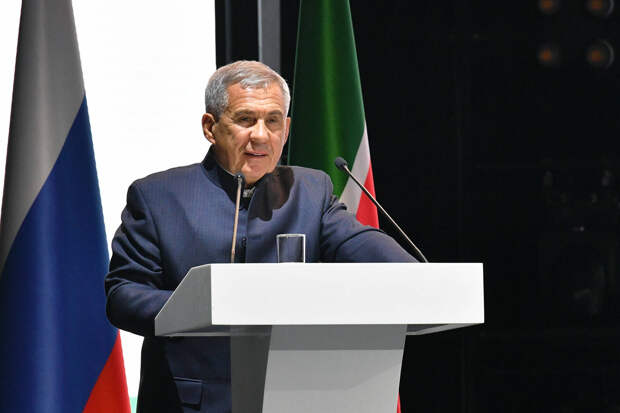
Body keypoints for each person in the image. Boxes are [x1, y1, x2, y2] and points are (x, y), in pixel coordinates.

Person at [105, 60, 416, 413]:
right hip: (191, 403)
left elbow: (365, 249)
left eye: (272, 121)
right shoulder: (158, 196)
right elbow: (123, 296)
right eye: (245, 120)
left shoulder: (310, 191)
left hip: (293, 397)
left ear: (287, 128)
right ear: (210, 127)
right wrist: (201, 305)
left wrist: (422, 278)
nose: (261, 135)